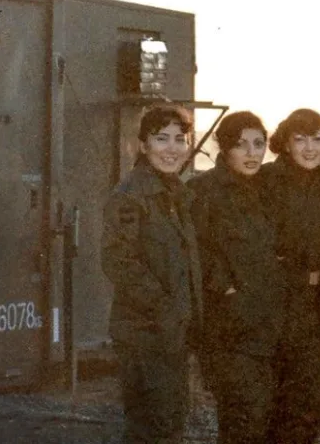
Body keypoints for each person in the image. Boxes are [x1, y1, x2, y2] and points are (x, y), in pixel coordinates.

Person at [100, 104, 203, 444]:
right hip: (145, 334)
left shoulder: (174, 193)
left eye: (180, 139)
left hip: (170, 332)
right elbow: (119, 262)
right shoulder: (131, 196)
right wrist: (166, 310)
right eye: (162, 139)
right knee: (154, 428)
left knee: (168, 422)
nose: (172, 148)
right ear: (143, 145)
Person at [188, 111, 285, 444]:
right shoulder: (203, 190)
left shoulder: (267, 187)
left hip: (265, 323)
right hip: (228, 327)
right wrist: (228, 290)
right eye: (241, 145)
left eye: (259, 144)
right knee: (246, 414)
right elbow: (196, 251)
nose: (252, 153)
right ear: (224, 148)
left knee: (260, 416)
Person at [259, 108, 320, 444]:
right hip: (274, 306)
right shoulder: (265, 182)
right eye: (300, 139)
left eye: (317, 139)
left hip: (316, 308)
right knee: (269, 403)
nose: (309, 148)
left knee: (308, 402)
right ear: (286, 143)